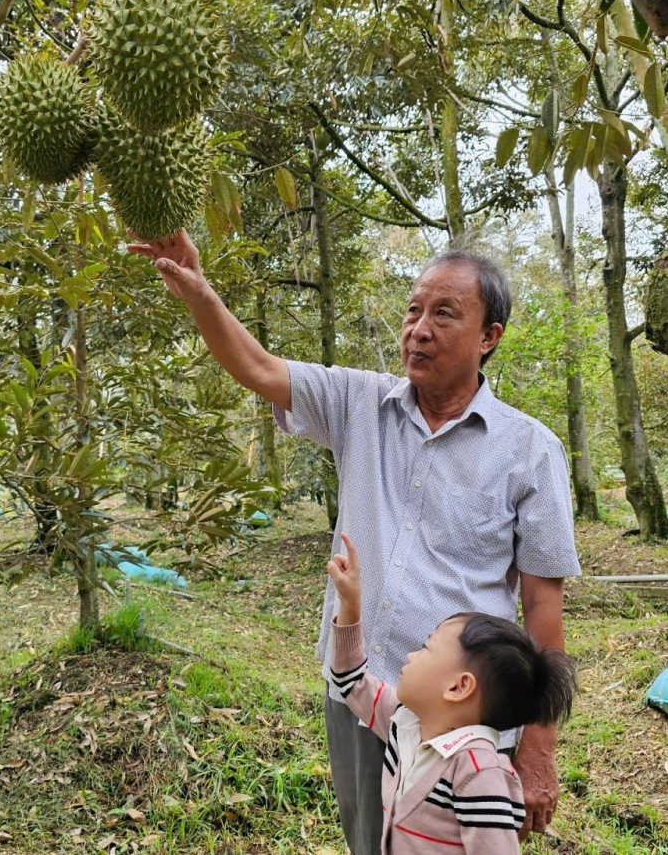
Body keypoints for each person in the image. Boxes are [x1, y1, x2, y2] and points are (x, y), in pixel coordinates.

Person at [130, 229, 581, 851]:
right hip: (360, 691)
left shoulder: (529, 450)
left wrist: (539, 742)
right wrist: (199, 291)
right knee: (369, 840)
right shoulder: (359, 403)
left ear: (489, 338)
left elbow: (541, 608)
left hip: (466, 717)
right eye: (413, 309)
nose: (418, 329)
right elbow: (258, 366)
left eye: (444, 314)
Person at [324, 531, 576, 854]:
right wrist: (349, 606)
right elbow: (350, 681)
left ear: (458, 687)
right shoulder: (406, 722)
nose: (412, 655)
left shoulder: (478, 772)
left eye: (426, 648)